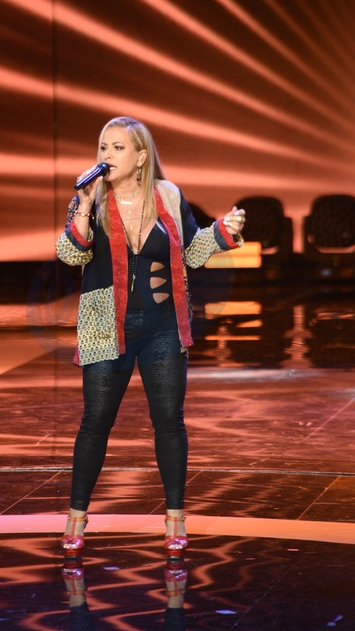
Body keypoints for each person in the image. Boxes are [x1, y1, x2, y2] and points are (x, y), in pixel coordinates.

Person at [55, 116, 245, 559]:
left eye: (118, 148)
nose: (107, 156)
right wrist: (83, 205)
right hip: (107, 325)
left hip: (163, 325)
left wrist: (223, 232)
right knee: (95, 423)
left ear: (141, 157)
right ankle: (76, 519)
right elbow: (70, 254)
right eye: (103, 147)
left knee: (169, 423)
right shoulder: (89, 200)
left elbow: (192, 251)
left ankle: (175, 520)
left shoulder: (168, 195)